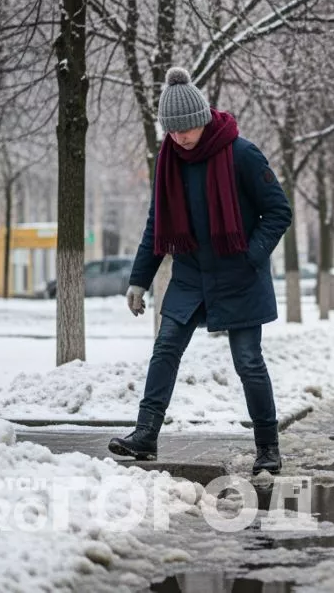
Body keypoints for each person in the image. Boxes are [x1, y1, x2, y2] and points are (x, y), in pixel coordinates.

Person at [109, 67, 292, 475]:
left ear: (203, 118)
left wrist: (251, 254)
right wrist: (139, 280)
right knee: (166, 348)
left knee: (248, 361)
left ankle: (268, 445)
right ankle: (145, 434)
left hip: (240, 276)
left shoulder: (241, 153)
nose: (181, 138)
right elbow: (157, 223)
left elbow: (278, 211)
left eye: (187, 129)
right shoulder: (169, 162)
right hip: (191, 277)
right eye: (172, 132)